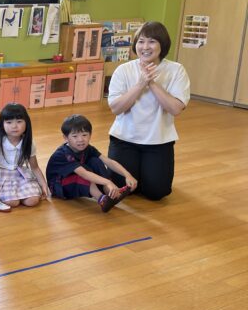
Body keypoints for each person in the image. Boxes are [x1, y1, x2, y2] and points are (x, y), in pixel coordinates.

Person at [107, 21, 190, 200]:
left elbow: (175, 109)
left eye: (151, 42)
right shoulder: (124, 70)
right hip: (124, 139)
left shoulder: (176, 70)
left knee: (157, 193)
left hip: (158, 141)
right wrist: (140, 84)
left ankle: (148, 174)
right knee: (123, 189)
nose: (145, 47)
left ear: (162, 45)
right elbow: (116, 108)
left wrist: (151, 83)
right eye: (141, 41)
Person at [46, 114, 138, 212]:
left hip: (74, 176)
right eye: (75, 136)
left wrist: (127, 175)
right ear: (65, 138)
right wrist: (108, 181)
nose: (81, 139)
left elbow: (109, 161)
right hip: (58, 186)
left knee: (96, 161)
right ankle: (102, 200)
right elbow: (84, 174)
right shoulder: (63, 154)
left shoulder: (88, 148)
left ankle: (110, 193)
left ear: (90, 135)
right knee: (82, 176)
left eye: (84, 135)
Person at [0, 103, 49, 208]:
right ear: (2, 124)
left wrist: (44, 185)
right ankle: (12, 196)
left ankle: (21, 194)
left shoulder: (29, 142)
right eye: (9, 122)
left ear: (26, 123)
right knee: (13, 202)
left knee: (32, 201)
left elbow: (34, 167)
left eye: (19, 121)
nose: (14, 126)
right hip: (0, 175)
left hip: (20, 174)